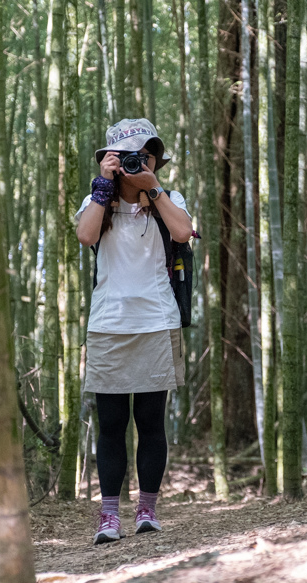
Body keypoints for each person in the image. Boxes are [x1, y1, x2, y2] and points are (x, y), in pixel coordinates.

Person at [75, 118, 193, 545]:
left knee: (150, 422)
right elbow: (86, 236)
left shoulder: (168, 198)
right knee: (110, 423)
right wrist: (104, 189)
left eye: (144, 155)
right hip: (109, 325)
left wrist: (153, 188)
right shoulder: (97, 201)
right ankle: (109, 515)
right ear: (110, 160)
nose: (135, 162)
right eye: (126, 156)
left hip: (157, 321)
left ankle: (147, 508)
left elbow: (182, 231)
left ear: (155, 160)